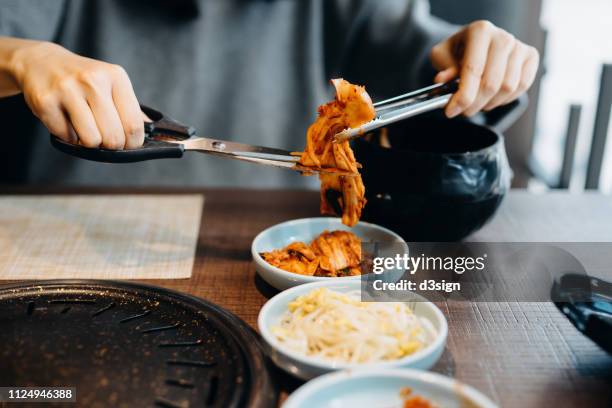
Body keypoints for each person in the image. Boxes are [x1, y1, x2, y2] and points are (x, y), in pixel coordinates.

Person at [0, 0, 539, 187]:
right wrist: (21, 57)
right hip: (71, 241)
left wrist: (479, 65)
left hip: (272, 243)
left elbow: (424, 62)